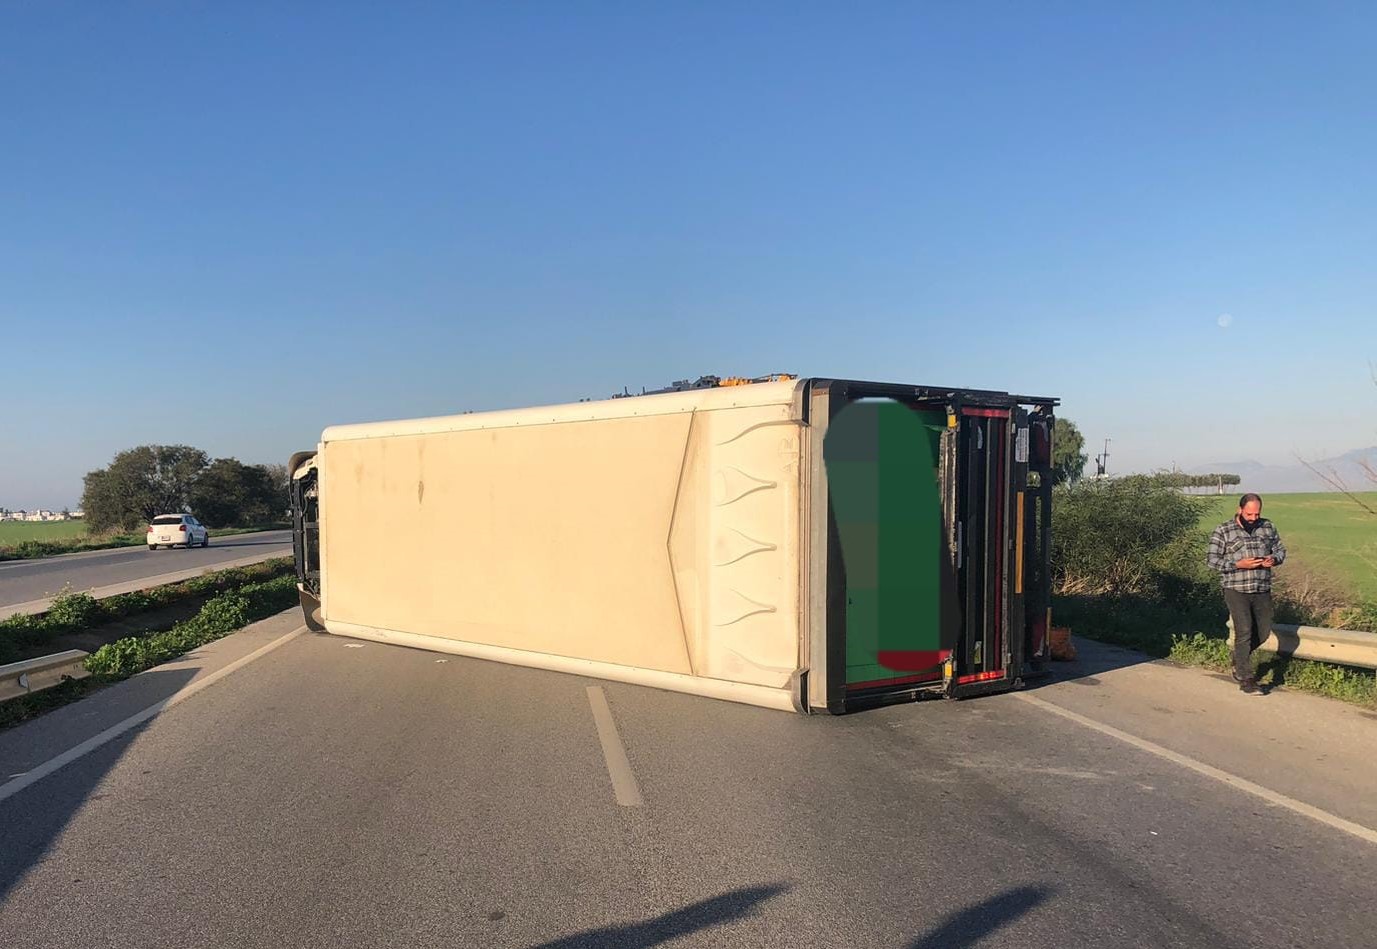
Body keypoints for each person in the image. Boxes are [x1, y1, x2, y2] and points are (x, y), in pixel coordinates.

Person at [1206, 493, 1286, 695]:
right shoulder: (1223, 530)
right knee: (1244, 630)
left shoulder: (1267, 526)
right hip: (1236, 588)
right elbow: (1211, 560)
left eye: (1256, 514)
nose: (1253, 518)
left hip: (1261, 587)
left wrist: (1273, 559)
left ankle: (1238, 659)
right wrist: (1237, 564)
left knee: (1264, 631)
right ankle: (1246, 678)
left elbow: (1280, 549)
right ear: (1240, 509)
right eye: (1249, 514)